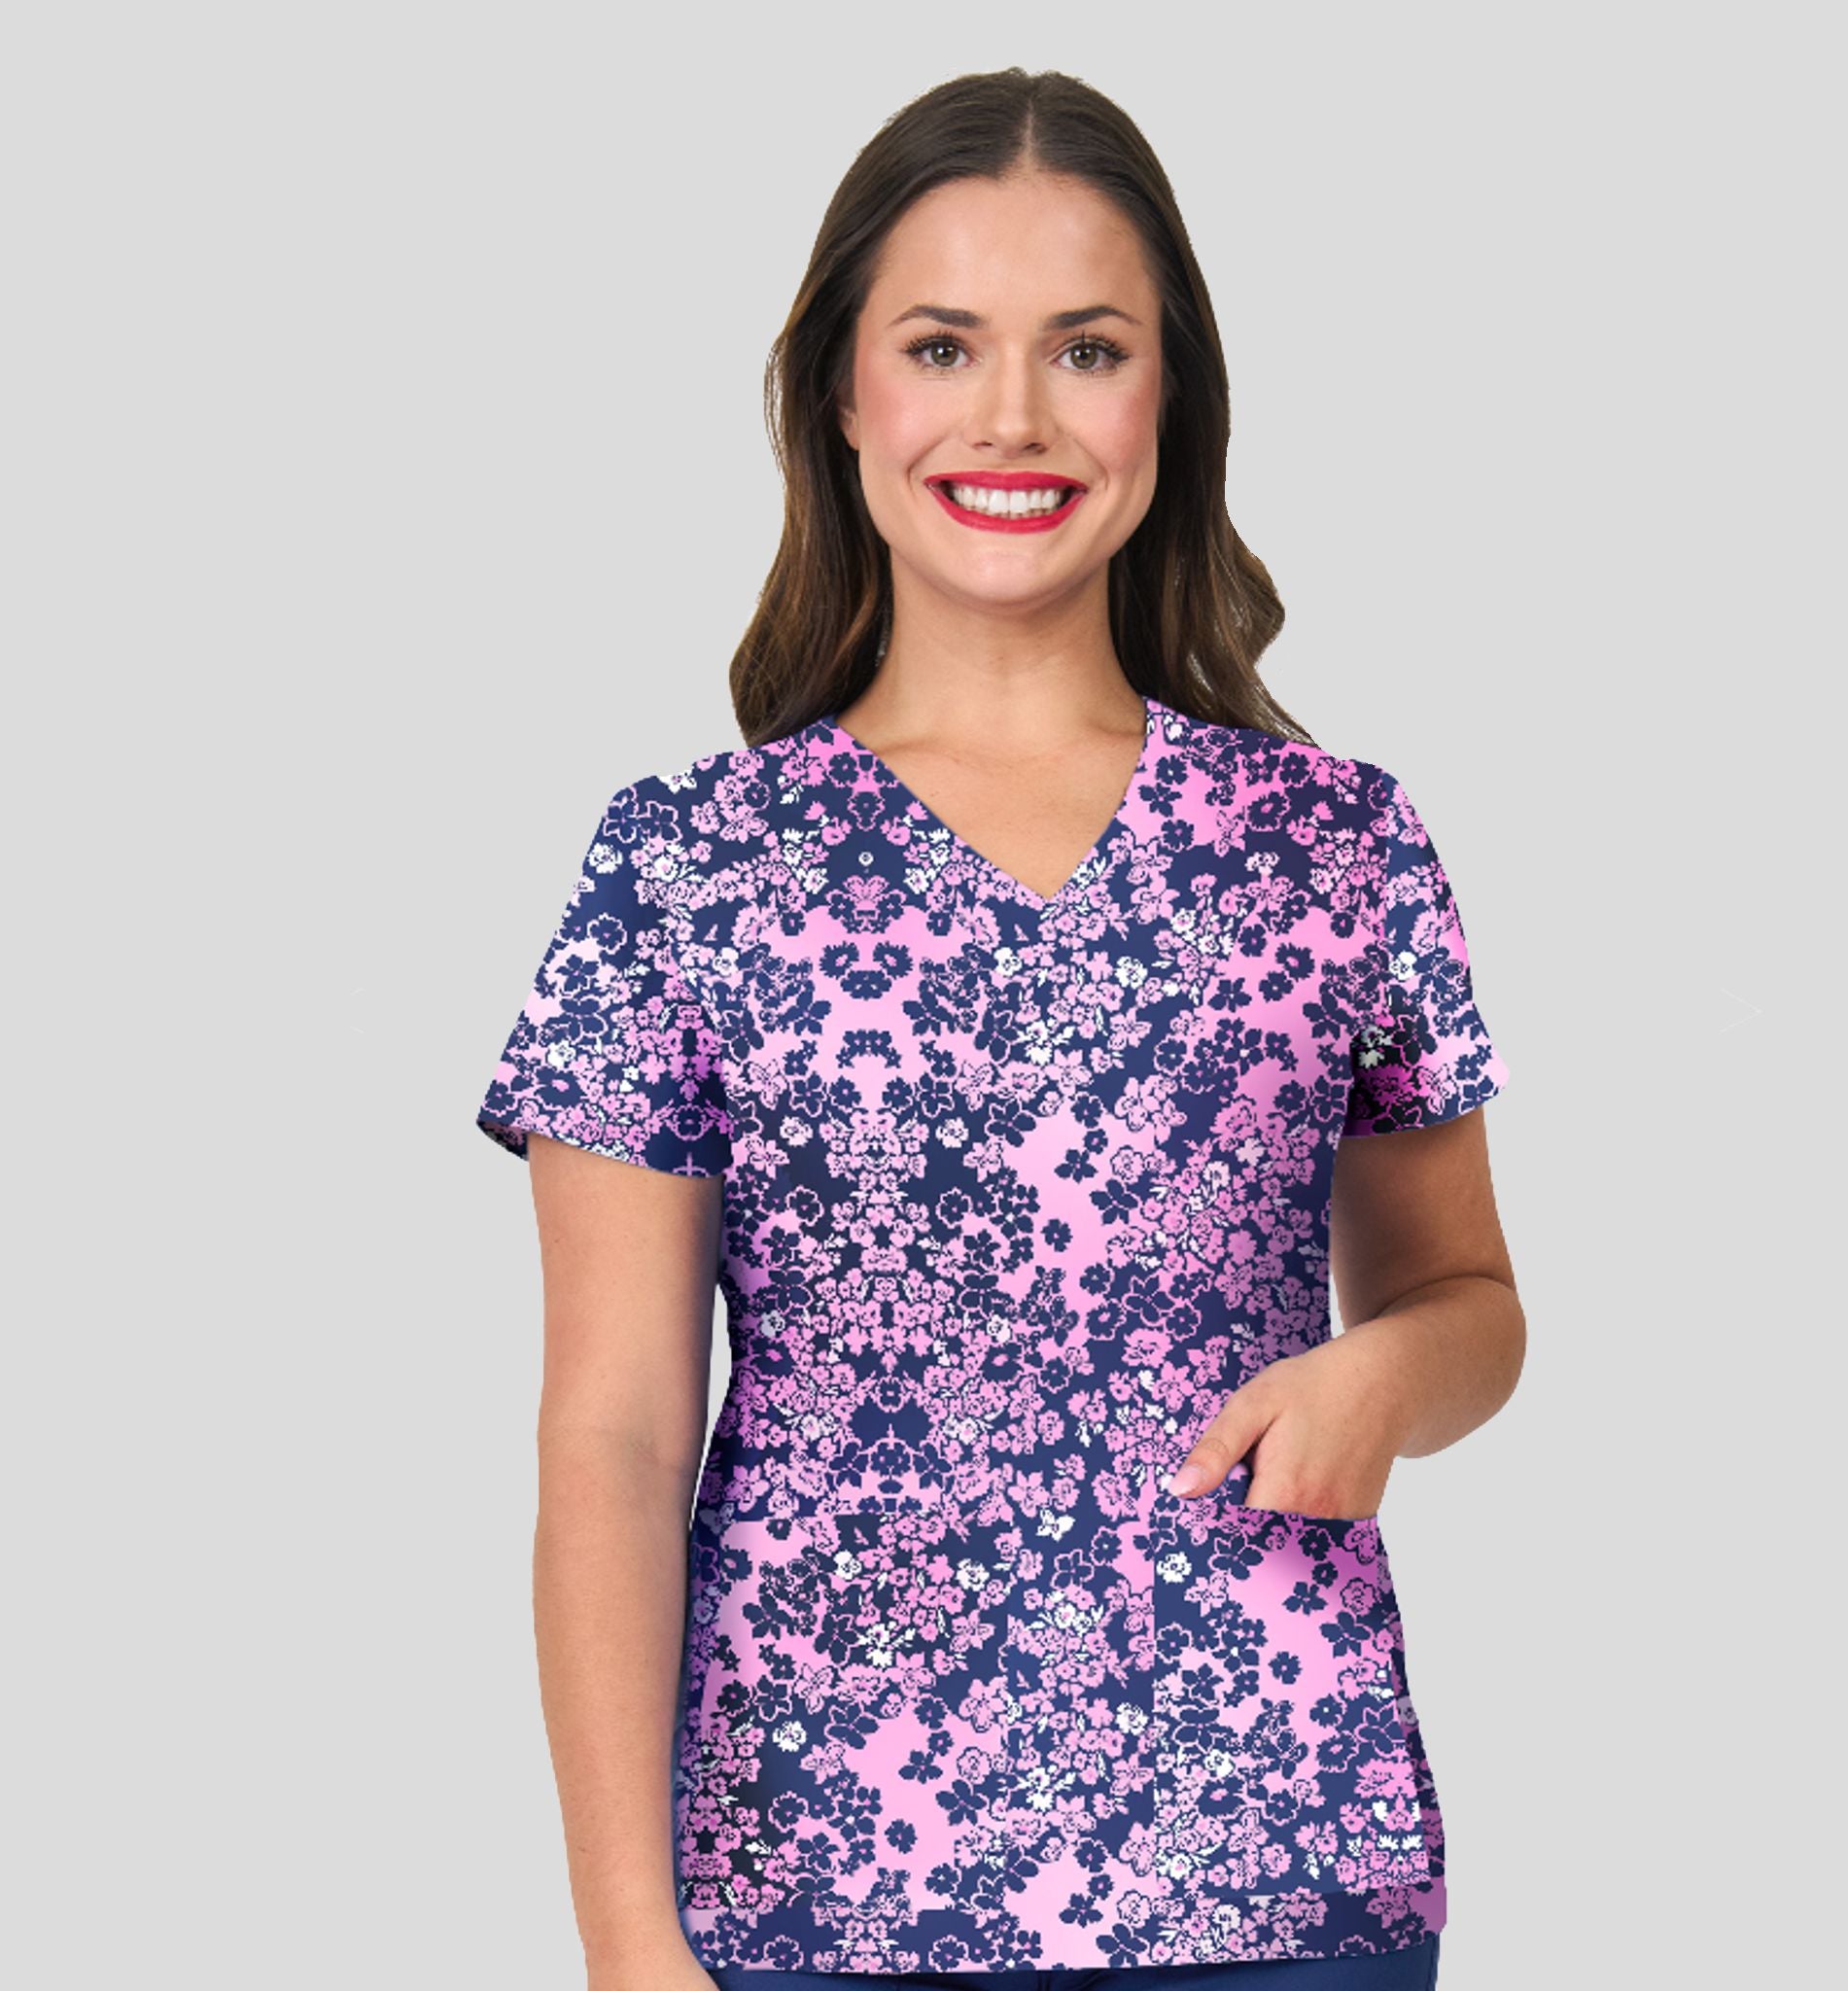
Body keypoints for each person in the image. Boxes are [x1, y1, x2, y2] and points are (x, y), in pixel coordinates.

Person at [475, 66, 1519, 1991]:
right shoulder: (687, 866)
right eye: (942, 345)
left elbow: (1469, 1302)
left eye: (1087, 349)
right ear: (841, 395)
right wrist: (627, 1937)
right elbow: (611, 1437)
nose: (1014, 416)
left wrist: (1386, 1374)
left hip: (1277, 1860)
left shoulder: (1335, 844)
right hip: (810, 1890)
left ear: (1168, 398)